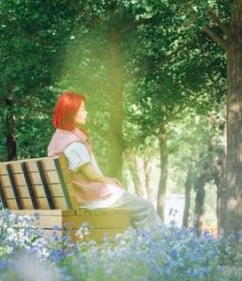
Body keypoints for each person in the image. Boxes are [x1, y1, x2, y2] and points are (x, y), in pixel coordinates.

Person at [47, 90, 162, 229]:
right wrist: (111, 181)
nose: (86, 113)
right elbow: (91, 175)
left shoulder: (58, 138)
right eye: (82, 109)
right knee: (146, 208)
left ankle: (140, 245)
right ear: (70, 112)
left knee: (132, 212)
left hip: (77, 197)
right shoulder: (73, 144)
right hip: (91, 199)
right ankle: (160, 245)